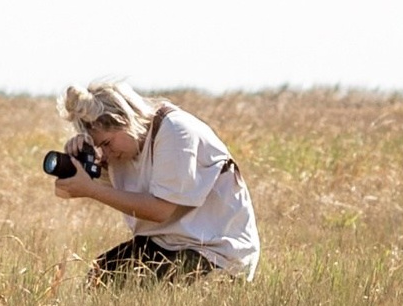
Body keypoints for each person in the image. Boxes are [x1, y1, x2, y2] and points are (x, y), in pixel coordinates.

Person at [52, 81, 259, 283]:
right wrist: (85, 161)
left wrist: (91, 190)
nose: (106, 152)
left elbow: (160, 210)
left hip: (216, 252)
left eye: (106, 143)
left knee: (139, 286)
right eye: (99, 146)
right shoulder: (122, 148)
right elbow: (69, 192)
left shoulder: (175, 131)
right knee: (98, 280)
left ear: (124, 120)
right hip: (163, 243)